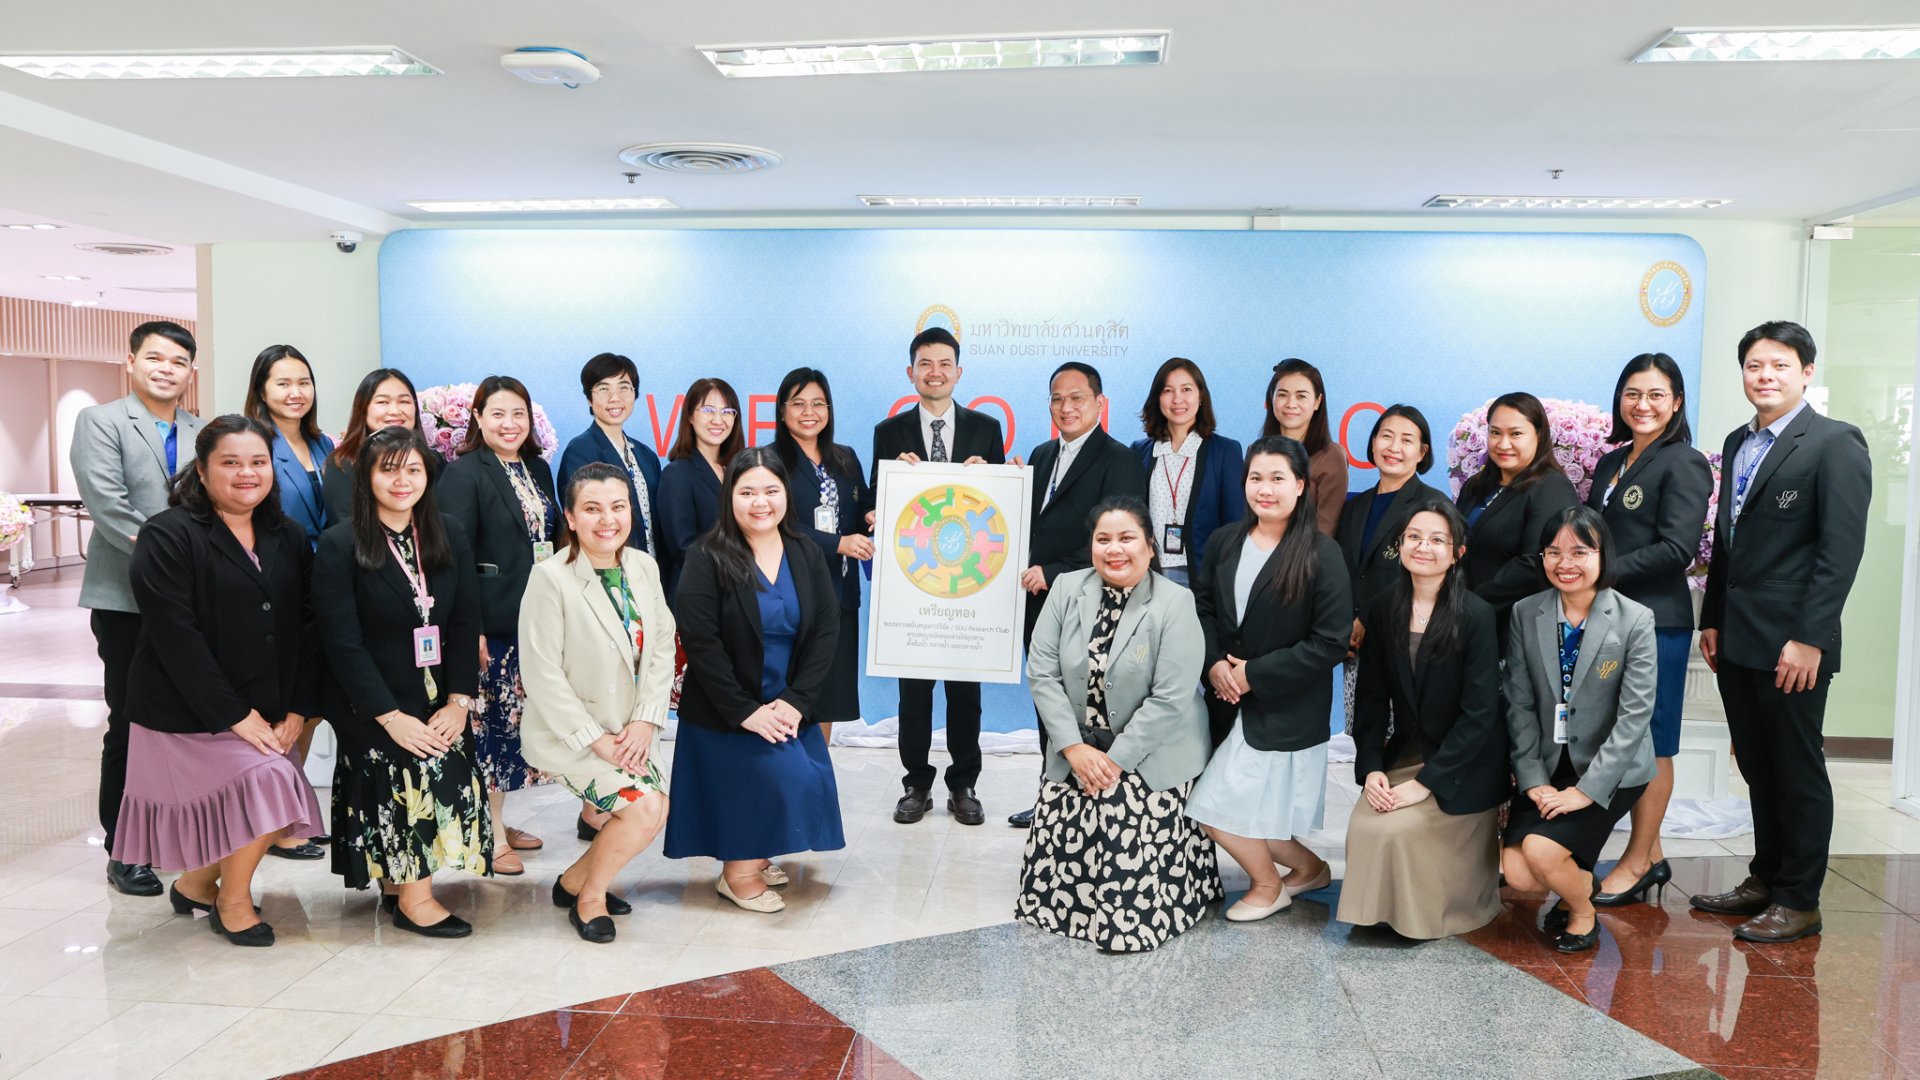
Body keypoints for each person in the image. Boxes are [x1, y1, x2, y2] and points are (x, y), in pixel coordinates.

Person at [116, 415, 326, 946]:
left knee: (280, 794)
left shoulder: (289, 534)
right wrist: (233, 714)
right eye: (230, 463)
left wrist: (299, 708)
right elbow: (175, 637)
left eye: (258, 462)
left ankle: (195, 883)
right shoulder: (168, 534)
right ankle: (230, 901)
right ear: (203, 472)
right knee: (275, 783)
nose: (246, 473)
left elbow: (306, 624)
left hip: (266, 705)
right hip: (185, 713)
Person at [1693, 321, 1871, 944]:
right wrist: (1712, 617)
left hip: (1794, 643)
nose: (1764, 376)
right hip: (1738, 638)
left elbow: (1839, 552)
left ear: (1806, 373)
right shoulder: (1738, 442)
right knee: (1759, 767)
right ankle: (1765, 878)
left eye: (1779, 365)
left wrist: (1811, 638)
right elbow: (1728, 545)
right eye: (1753, 366)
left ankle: (1799, 898)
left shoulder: (1834, 443)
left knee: (1796, 771)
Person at [1015, 497, 1221, 952]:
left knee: (1122, 810)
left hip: (1152, 752)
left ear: (1150, 547)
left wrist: (1113, 763)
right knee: (1070, 802)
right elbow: (1041, 672)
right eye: (1103, 539)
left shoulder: (1175, 602)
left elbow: (1170, 699)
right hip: (1079, 747)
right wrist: (1072, 748)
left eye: (1127, 538)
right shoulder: (1067, 589)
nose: (1115, 550)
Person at [314, 426, 490, 938]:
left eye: (412, 469)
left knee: (446, 770)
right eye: (388, 469)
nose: (402, 480)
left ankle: (402, 884)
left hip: (439, 694)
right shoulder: (340, 543)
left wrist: (460, 701)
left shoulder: (447, 532)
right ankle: (415, 898)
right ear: (367, 476)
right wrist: (389, 717)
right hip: (374, 703)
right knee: (404, 775)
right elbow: (342, 645)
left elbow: (463, 621)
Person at [666, 448, 845, 912]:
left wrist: (796, 701)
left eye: (770, 490)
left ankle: (757, 852)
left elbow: (827, 630)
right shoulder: (707, 555)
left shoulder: (805, 550)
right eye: (747, 492)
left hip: (786, 702)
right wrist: (746, 712)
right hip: (728, 707)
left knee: (805, 780)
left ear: (786, 494)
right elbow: (701, 643)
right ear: (731, 497)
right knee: (777, 778)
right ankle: (737, 872)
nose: (759, 502)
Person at [1187, 436, 1350, 920]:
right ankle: (1313, 870)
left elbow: (1330, 643)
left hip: (1285, 704)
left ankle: (1268, 885)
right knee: (1260, 814)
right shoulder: (1225, 541)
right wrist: (1214, 663)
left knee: (1214, 808)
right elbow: (1203, 608)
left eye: (1278, 478)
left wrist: (1254, 675)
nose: (1265, 488)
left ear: (1300, 486)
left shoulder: (1323, 554)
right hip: (1224, 696)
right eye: (1256, 478)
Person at [72, 320, 206, 897]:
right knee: (129, 721)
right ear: (131, 362)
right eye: (155, 358)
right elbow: (109, 506)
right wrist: (175, 562)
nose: (166, 369)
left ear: (190, 372)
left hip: (193, 602)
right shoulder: (100, 422)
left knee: (189, 722)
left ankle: (184, 838)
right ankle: (124, 849)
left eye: (178, 361)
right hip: (127, 599)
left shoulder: (204, 429)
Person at [519, 463, 676, 944]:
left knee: (653, 809)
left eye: (617, 506)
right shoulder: (550, 578)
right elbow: (541, 673)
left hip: (630, 731)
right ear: (570, 516)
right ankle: (591, 898)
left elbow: (663, 645)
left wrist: (647, 721)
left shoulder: (643, 566)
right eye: (592, 509)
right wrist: (597, 739)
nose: (606, 519)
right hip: (570, 735)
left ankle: (572, 882)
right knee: (645, 810)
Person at [1338, 496, 1508, 939]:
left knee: (1401, 828)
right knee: (1366, 823)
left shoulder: (1476, 615)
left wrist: (1424, 784)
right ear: (1401, 544)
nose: (1423, 547)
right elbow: (1372, 699)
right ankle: (1377, 914)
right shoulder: (1381, 607)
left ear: (1457, 553)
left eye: (1437, 540)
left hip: (1463, 762)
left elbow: (1480, 713)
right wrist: (1373, 766)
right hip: (1409, 749)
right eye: (1414, 537)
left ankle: (1429, 914)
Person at [1585, 354, 1713, 908]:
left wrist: (1599, 573)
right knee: (1623, 739)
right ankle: (1652, 855)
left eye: (1657, 395)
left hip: (1656, 623)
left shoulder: (1683, 462)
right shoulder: (1611, 462)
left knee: (1653, 743)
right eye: (1633, 393)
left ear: (1677, 402)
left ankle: (1636, 861)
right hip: (1607, 620)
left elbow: (1677, 550)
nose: (1643, 404)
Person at [1502, 506, 1657, 954]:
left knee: (1543, 853)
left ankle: (1582, 910)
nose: (1565, 563)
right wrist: (1532, 782)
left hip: (1612, 768)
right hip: (1548, 767)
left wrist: (1586, 791)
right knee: (1519, 873)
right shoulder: (1525, 613)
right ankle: (1579, 884)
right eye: (1553, 552)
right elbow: (1520, 703)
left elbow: (1635, 716)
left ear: (1603, 555)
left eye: (1579, 551)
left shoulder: (1634, 619)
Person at [870, 327, 1005, 827]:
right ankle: (916, 783)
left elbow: (998, 514)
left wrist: (991, 476)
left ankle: (964, 781)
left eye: (944, 363)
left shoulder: (986, 428)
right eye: (925, 364)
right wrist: (891, 487)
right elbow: (872, 505)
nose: (935, 372)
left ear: (959, 372)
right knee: (915, 690)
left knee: (966, 690)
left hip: (968, 585)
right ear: (911, 372)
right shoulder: (889, 433)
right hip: (914, 583)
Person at [1009, 362, 1149, 828]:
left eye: (1077, 398)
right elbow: (1029, 524)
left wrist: (1054, 571)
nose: (1065, 407)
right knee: (1047, 701)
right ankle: (1053, 797)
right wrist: (1005, 487)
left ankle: (1094, 794)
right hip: (1038, 605)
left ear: (1099, 404)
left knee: (1088, 705)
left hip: (1092, 606)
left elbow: (1120, 540)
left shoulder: (1119, 459)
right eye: (1057, 398)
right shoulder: (1041, 453)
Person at [436, 375, 558, 875]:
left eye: (519, 415)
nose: (510, 424)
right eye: (498, 414)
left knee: (513, 731)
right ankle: (486, 833)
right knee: (487, 733)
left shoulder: (537, 469)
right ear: (478, 419)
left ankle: (498, 820)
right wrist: (473, 629)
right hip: (491, 623)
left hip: (535, 618)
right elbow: (452, 555)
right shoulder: (464, 473)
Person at [242, 343, 338, 860]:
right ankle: (276, 820)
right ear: (261, 390)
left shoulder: (326, 445)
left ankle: (291, 804)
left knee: (312, 700)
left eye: (303, 381)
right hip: (281, 581)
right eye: (282, 383)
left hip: (328, 584)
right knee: (280, 702)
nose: (295, 392)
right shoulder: (254, 442)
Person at [772, 367, 870, 750]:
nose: (808, 411)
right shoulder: (768, 461)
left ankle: (818, 768)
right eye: (798, 403)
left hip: (840, 595)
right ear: (782, 411)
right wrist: (837, 544)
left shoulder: (845, 458)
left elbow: (865, 506)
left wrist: (879, 512)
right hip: (791, 595)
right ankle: (787, 770)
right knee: (791, 686)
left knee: (827, 691)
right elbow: (775, 524)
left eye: (818, 403)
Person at [1335, 405, 1440, 733]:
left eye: (1406, 440)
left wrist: (1367, 616)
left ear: (1422, 452)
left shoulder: (1432, 506)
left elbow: (1431, 578)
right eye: (1386, 436)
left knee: (1405, 748)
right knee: (1364, 741)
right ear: (1373, 443)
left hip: (1408, 646)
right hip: (1355, 647)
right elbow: (1343, 570)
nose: (1394, 447)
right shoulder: (1354, 506)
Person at [1454, 391, 1579, 649]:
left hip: (1516, 628)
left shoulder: (1552, 488)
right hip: (1464, 622)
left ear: (1539, 435)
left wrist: (1471, 605)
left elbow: (1534, 563)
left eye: (1516, 434)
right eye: (1495, 432)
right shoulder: (1475, 486)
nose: (1503, 443)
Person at [1131, 356, 1245, 587]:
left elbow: (1235, 525)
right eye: (1168, 391)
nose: (1177, 399)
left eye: (1186, 390)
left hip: (1202, 578)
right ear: (1157, 398)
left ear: (1200, 396)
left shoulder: (1225, 451)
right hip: (1146, 576)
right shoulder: (1139, 451)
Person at [557, 353, 664, 556]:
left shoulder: (645, 454)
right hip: (608, 569)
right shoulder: (580, 451)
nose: (615, 398)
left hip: (650, 569)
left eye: (624, 388)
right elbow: (580, 521)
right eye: (603, 389)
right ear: (589, 398)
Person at [656, 377, 743, 600]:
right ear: (690, 416)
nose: (718, 420)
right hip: (699, 596)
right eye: (708, 410)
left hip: (741, 594)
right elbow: (682, 547)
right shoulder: (677, 474)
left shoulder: (740, 472)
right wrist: (737, 571)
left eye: (727, 412)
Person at [322, 368, 429, 525]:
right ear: (363, 408)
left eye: (404, 401)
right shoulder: (344, 464)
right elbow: (344, 528)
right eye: (382, 402)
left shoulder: (432, 459)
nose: (394, 411)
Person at [1261, 358, 1347, 536]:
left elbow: (1325, 531)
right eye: (1283, 394)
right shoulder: (1257, 452)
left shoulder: (1331, 456)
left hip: (1305, 559)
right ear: (1272, 398)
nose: (1291, 404)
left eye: (1301, 396)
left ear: (1317, 401)